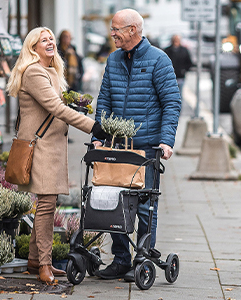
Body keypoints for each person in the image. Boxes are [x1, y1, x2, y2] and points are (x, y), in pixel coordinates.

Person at [6, 27, 108, 284]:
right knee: (47, 205)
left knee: (46, 205)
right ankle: (44, 265)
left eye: (51, 39)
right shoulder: (34, 72)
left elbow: (58, 106)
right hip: (40, 147)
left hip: (50, 146)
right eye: (44, 40)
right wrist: (92, 125)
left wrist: (79, 105)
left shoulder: (51, 71)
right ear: (33, 47)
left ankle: (32, 260)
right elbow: (55, 107)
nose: (50, 42)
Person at [92, 9, 181, 281]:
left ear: (133, 30)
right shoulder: (114, 59)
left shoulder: (159, 60)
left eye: (116, 28)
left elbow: (171, 103)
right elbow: (104, 100)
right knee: (112, 203)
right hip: (116, 147)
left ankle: (142, 259)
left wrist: (166, 141)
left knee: (144, 207)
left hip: (146, 148)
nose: (112, 33)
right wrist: (98, 135)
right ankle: (120, 259)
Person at [164, 34, 193, 101]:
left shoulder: (184, 50)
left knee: (179, 95)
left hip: (180, 76)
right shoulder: (167, 50)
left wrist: (184, 70)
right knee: (170, 95)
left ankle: (178, 110)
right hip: (169, 77)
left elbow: (189, 62)